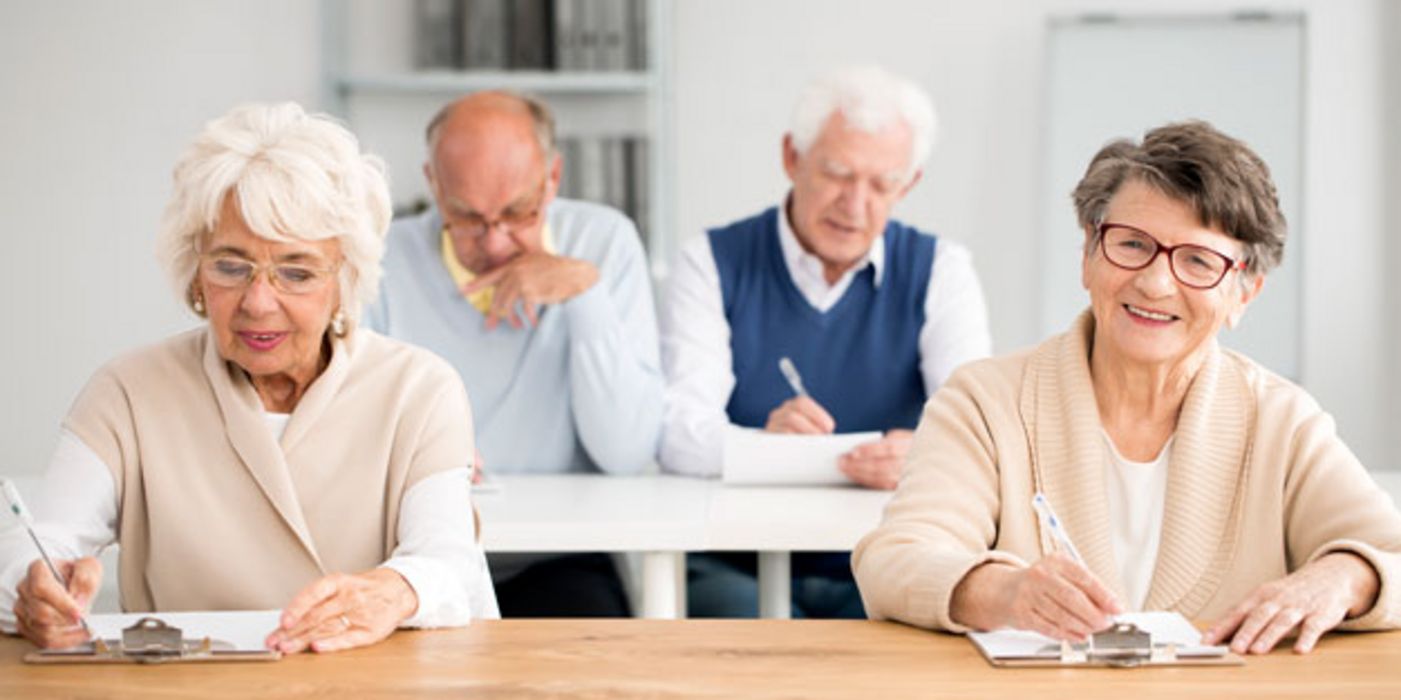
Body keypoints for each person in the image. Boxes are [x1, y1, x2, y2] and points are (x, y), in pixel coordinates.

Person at [854, 120, 1401, 654]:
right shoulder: (985, 400)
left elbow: (1392, 554)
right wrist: (1003, 592)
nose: (1155, 282)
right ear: (1088, 254)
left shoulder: (1281, 420)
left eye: (1197, 261)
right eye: (1133, 244)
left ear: (1244, 294)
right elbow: (894, 559)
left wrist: (1344, 578)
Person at [0, 103, 498, 653]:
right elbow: (42, 541)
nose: (259, 303)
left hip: (365, 683)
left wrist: (394, 591)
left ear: (346, 279)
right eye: (231, 267)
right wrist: (35, 584)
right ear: (195, 273)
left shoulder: (419, 390)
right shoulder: (128, 391)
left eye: (297, 272)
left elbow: (449, 562)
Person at [660, 66, 992, 618]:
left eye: (882, 184)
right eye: (838, 174)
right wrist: (767, 442)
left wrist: (924, 456)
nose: (855, 204)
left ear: (908, 185)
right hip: (735, 559)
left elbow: (979, 433)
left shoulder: (942, 271)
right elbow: (677, 434)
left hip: (887, 558)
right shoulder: (711, 262)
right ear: (792, 158)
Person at [366, 91, 663, 617]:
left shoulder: (605, 242)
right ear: (433, 185)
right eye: (468, 218)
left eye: (519, 213)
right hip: (413, 558)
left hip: (559, 561)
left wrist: (585, 295)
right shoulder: (381, 258)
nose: (497, 243)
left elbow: (626, 453)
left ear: (553, 178)